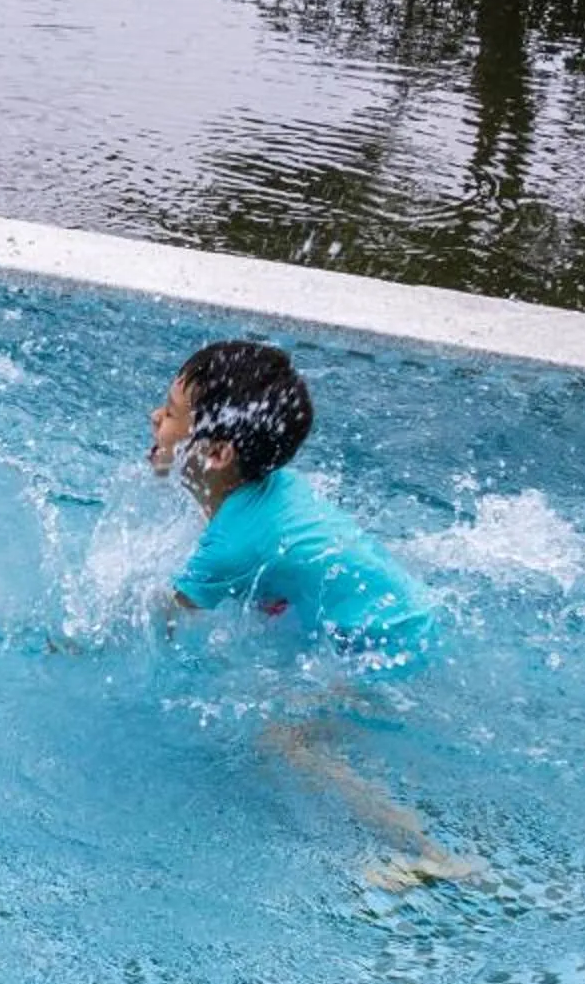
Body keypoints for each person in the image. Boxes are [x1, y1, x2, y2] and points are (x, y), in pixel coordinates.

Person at [149, 339, 472, 887]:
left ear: (217, 453)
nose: (154, 417)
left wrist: (81, 639)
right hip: (404, 617)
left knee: (281, 743)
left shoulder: (229, 545)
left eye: (172, 414)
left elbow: (161, 625)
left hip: (385, 649)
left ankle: (430, 852)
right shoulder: (268, 489)